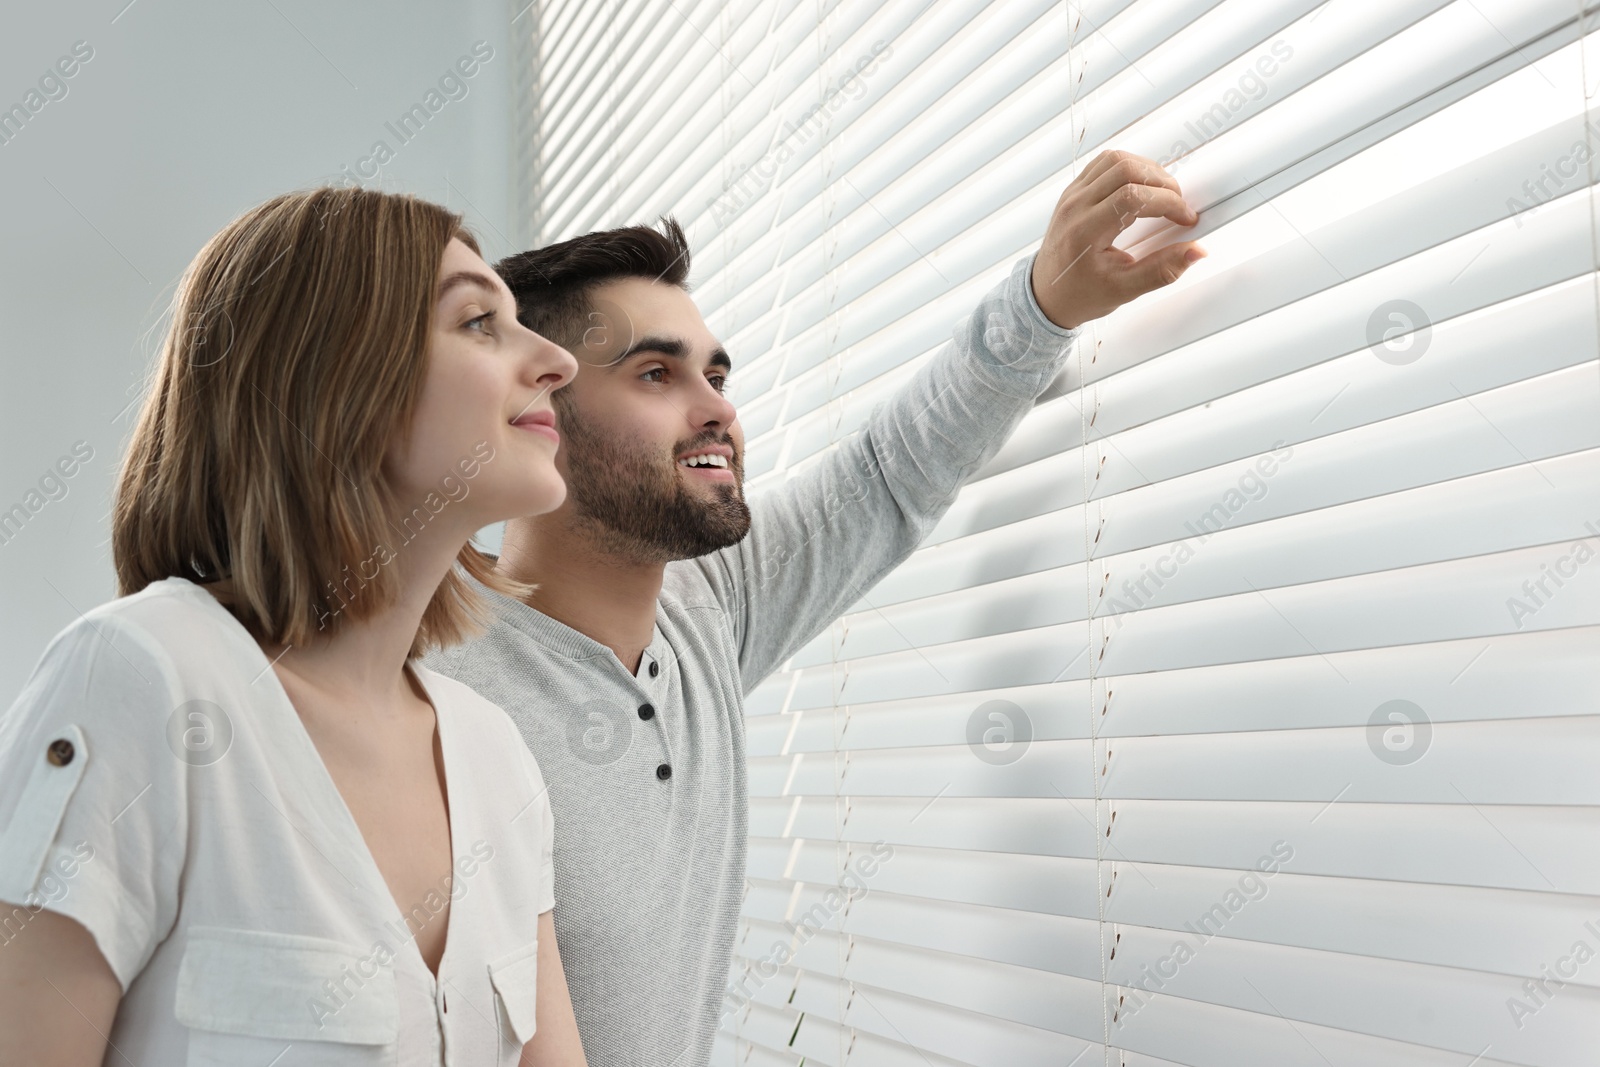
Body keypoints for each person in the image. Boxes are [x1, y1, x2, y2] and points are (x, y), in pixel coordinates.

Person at [421, 149, 1203, 1065]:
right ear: (542, 404)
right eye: (655, 375)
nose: (716, 409)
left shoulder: (705, 614)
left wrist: (1043, 304)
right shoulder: (432, 678)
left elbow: (886, 475)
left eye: (718, 375)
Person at [0, 187, 591, 1065]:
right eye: (476, 321)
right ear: (331, 372)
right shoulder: (135, 680)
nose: (555, 360)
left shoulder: (497, 758)